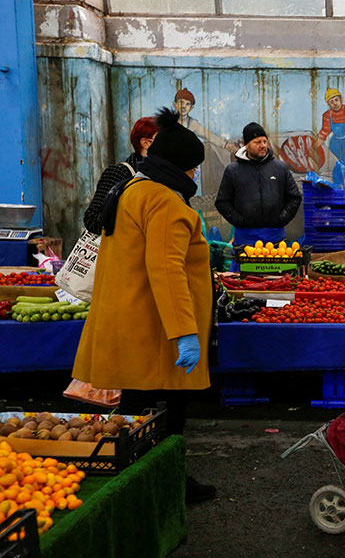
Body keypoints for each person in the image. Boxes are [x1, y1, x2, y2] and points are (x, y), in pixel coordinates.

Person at [72, 107, 216, 502]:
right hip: (158, 331)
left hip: (132, 323)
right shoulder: (166, 204)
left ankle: (139, 483)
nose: (195, 175)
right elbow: (167, 272)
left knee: (134, 414)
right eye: (194, 168)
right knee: (167, 415)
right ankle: (164, 485)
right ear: (182, 167)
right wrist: (185, 332)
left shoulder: (132, 191)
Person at [215, 122, 302, 255]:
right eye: (257, 142)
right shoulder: (233, 171)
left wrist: (281, 219)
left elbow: (294, 197)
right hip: (245, 239)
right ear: (246, 144)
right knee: (244, 275)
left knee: (275, 275)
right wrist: (240, 221)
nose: (262, 145)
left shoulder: (280, 168)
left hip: (275, 239)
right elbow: (222, 202)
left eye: (264, 141)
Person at [83, 116, 157, 232]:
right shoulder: (120, 172)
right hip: (122, 248)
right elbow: (92, 219)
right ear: (146, 143)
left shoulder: (159, 175)